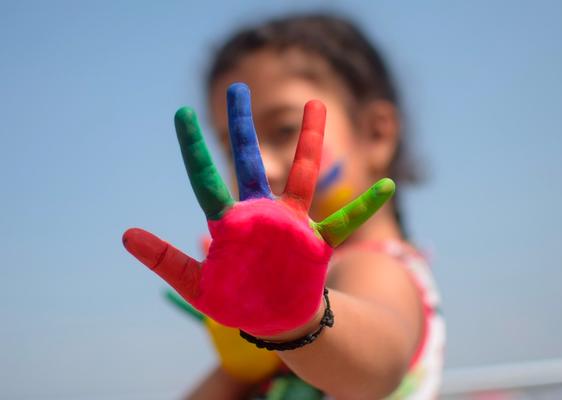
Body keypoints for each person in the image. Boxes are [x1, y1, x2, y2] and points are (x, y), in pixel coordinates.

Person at [125, 13, 444, 400]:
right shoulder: (291, 294)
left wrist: (296, 319)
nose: (266, 164)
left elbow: (381, 364)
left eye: (285, 129)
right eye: (235, 147)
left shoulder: (377, 266)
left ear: (376, 134)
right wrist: (238, 364)